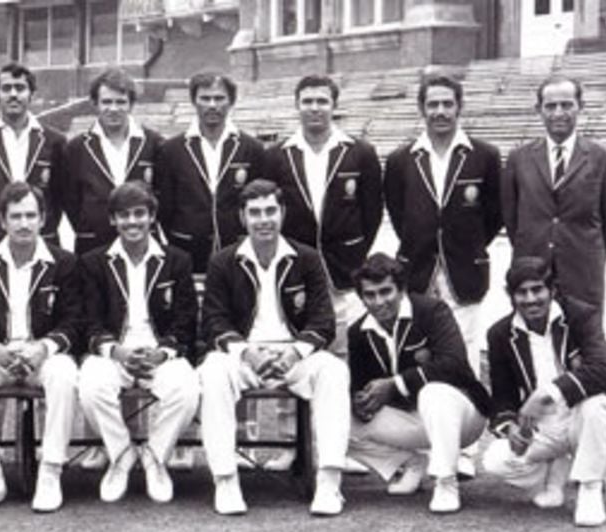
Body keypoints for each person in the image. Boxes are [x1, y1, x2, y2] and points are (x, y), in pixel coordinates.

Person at [197, 179, 350, 516]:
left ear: (282, 213)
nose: (263, 220)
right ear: (242, 217)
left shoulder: (307, 258)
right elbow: (214, 322)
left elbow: (323, 321)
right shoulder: (223, 261)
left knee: (334, 371)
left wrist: (295, 352)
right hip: (243, 356)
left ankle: (328, 482)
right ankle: (226, 480)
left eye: (270, 211)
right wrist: (247, 353)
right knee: (212, 372)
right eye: (254, 213)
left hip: (294, 356)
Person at [0, 182, 81, 512]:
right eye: (16, 216)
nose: (23, 224)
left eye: (31, 215)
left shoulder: (64, 262)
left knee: (65, 373)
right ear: (2, 221)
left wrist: (43, 348)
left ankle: (51, 472)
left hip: (42, 356)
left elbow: (73, 322)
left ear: (43, 219)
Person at [78, 182, 201, 504]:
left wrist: (162, 353)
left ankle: (155, 457)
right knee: (90, 385)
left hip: (160, 355)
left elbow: (186, 322)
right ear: (112, 220)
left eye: (139, 214)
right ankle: (121, 455)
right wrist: (116, 351)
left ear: (152, 216)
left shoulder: (177, 261)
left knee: (186, 389)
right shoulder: (94, 262)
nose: (132, 222)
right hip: (114, 354)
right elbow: (89, 322)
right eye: (124, 215)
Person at [344, 254, 491, 514]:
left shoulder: (433, 311)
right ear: (362, 297)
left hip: (464, 416)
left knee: (433, 393)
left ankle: (446, 482)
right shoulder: (358, 333)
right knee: (334, 417)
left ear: (401, 289)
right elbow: (360, 383)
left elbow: (454, 365)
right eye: (370, 295)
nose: (379, 302)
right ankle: (407, 463)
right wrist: (360, 400)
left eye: (386, 291)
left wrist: (395, 384)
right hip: (412, 421)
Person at [480, 257, 606, 527]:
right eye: (521, 292)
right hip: (544, 426)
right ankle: (553, 474)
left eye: (537, 289)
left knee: (596, 404)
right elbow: (502, 397)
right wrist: (510, 429)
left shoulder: (581, 315)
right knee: (495, 460)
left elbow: (604, 371)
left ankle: (590, 486)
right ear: (510, 295)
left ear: (552, 289)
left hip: (580, 416)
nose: (530, 299)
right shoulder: (500, 334)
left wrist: (547, 394)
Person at [384, 74, 502, 373]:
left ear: (459, 107)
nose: (440, 111)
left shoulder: (484, 155)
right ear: (421, 109)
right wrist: (422, 241)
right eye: (432, 104)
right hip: (418, 268)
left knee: (466, 346)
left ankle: (470, 412)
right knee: (420, 348)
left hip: (465, 268)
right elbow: (399, 214)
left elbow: (494, 213)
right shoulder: (402, 158)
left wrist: (465, 244)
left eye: (447, 104)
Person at [268, 74, 383, 355]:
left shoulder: (361, 153)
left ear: (334, 106)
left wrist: (352, 250)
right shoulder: (276, 155)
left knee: (347, 348)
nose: (315, 108)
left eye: (322, 101)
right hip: (296, 266)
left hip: (345, 268)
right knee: (302, 346)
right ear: (297, 106)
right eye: (307, 101)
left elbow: (372, 212)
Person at [501, 75, 606, 310]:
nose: (558, 113)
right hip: (531, 274)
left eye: (566, 105)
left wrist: (586, 256)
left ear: (580, 106)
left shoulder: (604, 159)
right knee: (534, 341)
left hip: (583, 275)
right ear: (539, 109)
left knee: (584, 342)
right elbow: (512, 219)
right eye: (550, 106)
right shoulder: (519, 158)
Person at [155, 70, 266, 272]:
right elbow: (165, 207)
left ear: (231, 101)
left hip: (238, 249)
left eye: (219, 98)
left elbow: (258, 199)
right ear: (194, 101)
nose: (212, 105)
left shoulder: (252, 148)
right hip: (187, 250)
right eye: (205, 98)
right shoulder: (171, 150)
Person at [0, 62, 67, 251]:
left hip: (43, 243)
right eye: (6, 88)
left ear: (31, 95)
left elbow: (64, 197)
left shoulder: (55, 141)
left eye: (20, 88)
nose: (13, 94)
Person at [64, 68, 163, 254]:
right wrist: (91, 224)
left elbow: (163, 195)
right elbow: (70, 200)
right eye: (107, 102)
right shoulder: (76, 148)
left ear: (131, 104)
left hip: (143, 244)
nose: (114, 109)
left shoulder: (154, 143)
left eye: (121, 102)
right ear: (95, 103)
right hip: (94, 244)